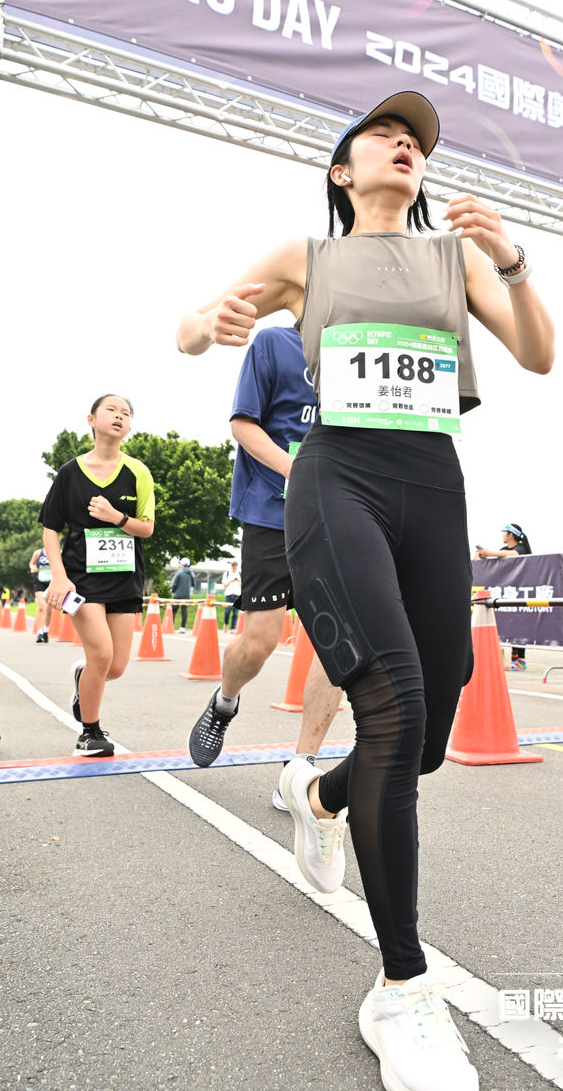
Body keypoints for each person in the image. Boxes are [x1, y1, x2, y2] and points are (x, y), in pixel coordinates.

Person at [177, 90, 554, 1091]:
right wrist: (206, 322)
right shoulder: (305, 256)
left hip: (431, 478)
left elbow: (538, 353)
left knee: (423, 735)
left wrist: (512, 260)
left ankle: (317, 792)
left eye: (415, 140)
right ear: (342, 171)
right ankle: (401, 987)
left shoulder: (454, 259)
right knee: (392, 704)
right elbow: (191, 327)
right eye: (384, 134)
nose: (404, 144)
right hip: (335, 472)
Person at [185, 325, 342, 813]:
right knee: (260, 640)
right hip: (273, 511)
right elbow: (243, 424)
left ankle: (300, 769)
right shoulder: (275, 343)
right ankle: (225, 701)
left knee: (338, 645)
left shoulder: (361, 345)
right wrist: (298, 470)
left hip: (339, 513)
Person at [39, 394, 155, 756]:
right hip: (81, 578)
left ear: (129, 426)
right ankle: (89, 733)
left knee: (115, 667)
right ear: (91, 420)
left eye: (126, 413)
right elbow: (50, 528)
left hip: (124, 577)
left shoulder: (138, 472)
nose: (119, 416)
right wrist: (59, 577)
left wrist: (116, 517)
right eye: (111, 410)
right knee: (101, 655)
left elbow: (147, 528)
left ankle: (83, 677)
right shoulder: (70, 473)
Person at [475, 523, 532, 667]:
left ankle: (520, 661)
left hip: (519, 592)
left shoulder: (520, 548)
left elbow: (511, 554)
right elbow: (497, 555)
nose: (502, 535)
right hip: (506, 593)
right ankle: (514, 661)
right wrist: (483, 555)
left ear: (510, 535)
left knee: (519, 625)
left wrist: (490, 552)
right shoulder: (503, 549)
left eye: (504, 532)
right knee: (510, 624)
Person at [30, 539, 54, 642]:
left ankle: (45, 630)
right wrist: (33, 568)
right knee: (41, 607)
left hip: (52, 583)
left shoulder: (58, 552)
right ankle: (39, 632)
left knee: (49, 609)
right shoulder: (38, 553)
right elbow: (32, 563)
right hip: (40, 581)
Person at [170, 557, 197, 632]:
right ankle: (183, 628)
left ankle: (171, 627)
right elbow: (193, 584)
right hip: (186, 595)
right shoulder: (191, 573)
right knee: (184, 611)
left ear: (182, 564)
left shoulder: (179, 572)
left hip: (177, 595)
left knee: (173, 610)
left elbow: (174, 584)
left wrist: (173, 591)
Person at [221, 559, 241, 632]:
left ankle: (233, 628)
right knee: (227, 612)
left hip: (237, 595)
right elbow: (224, 585)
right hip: (228, 595)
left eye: (235, 568)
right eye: (233, 567)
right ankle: (226, 624)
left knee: (235, 613)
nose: (234, 569)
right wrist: (232, 580)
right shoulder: (226, 573)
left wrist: (238, 580)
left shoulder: (240, 573)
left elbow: (243, 584)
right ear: (231, 566)